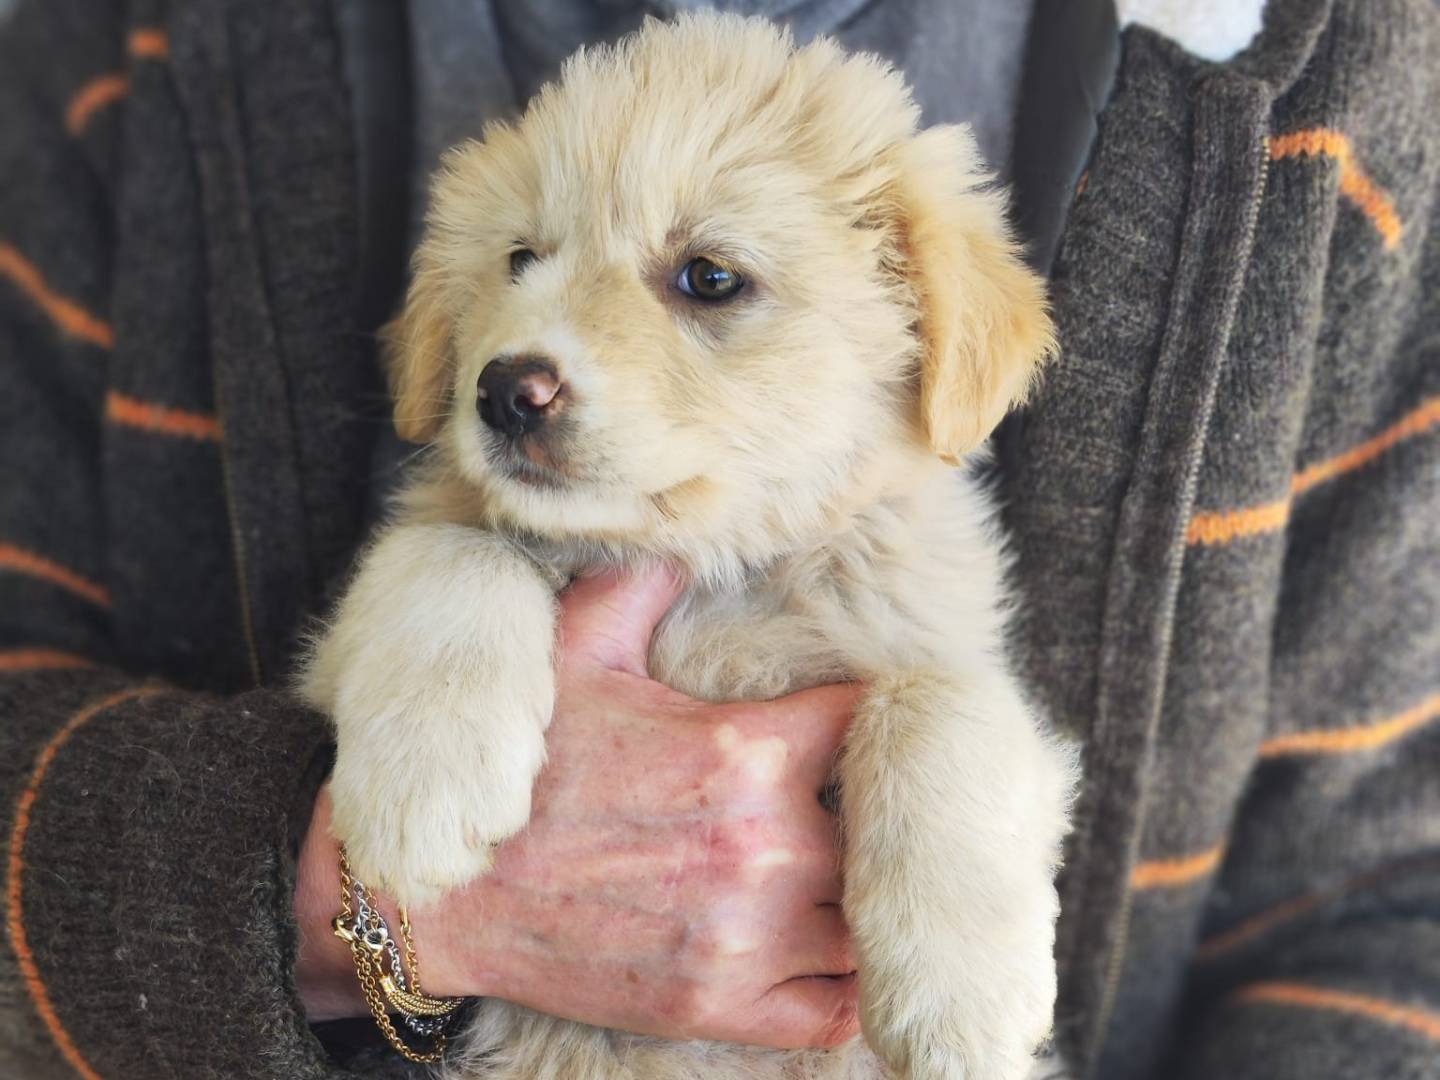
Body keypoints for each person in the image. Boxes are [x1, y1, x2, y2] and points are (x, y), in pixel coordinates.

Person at [2, 1, 1436, 1078]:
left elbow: (1388, 898)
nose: (530, 351)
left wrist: (946, 809)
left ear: (930, 336)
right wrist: (329, 894)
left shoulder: (1351, 88)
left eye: (707, 279)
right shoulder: (118, 52)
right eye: (522, 260)